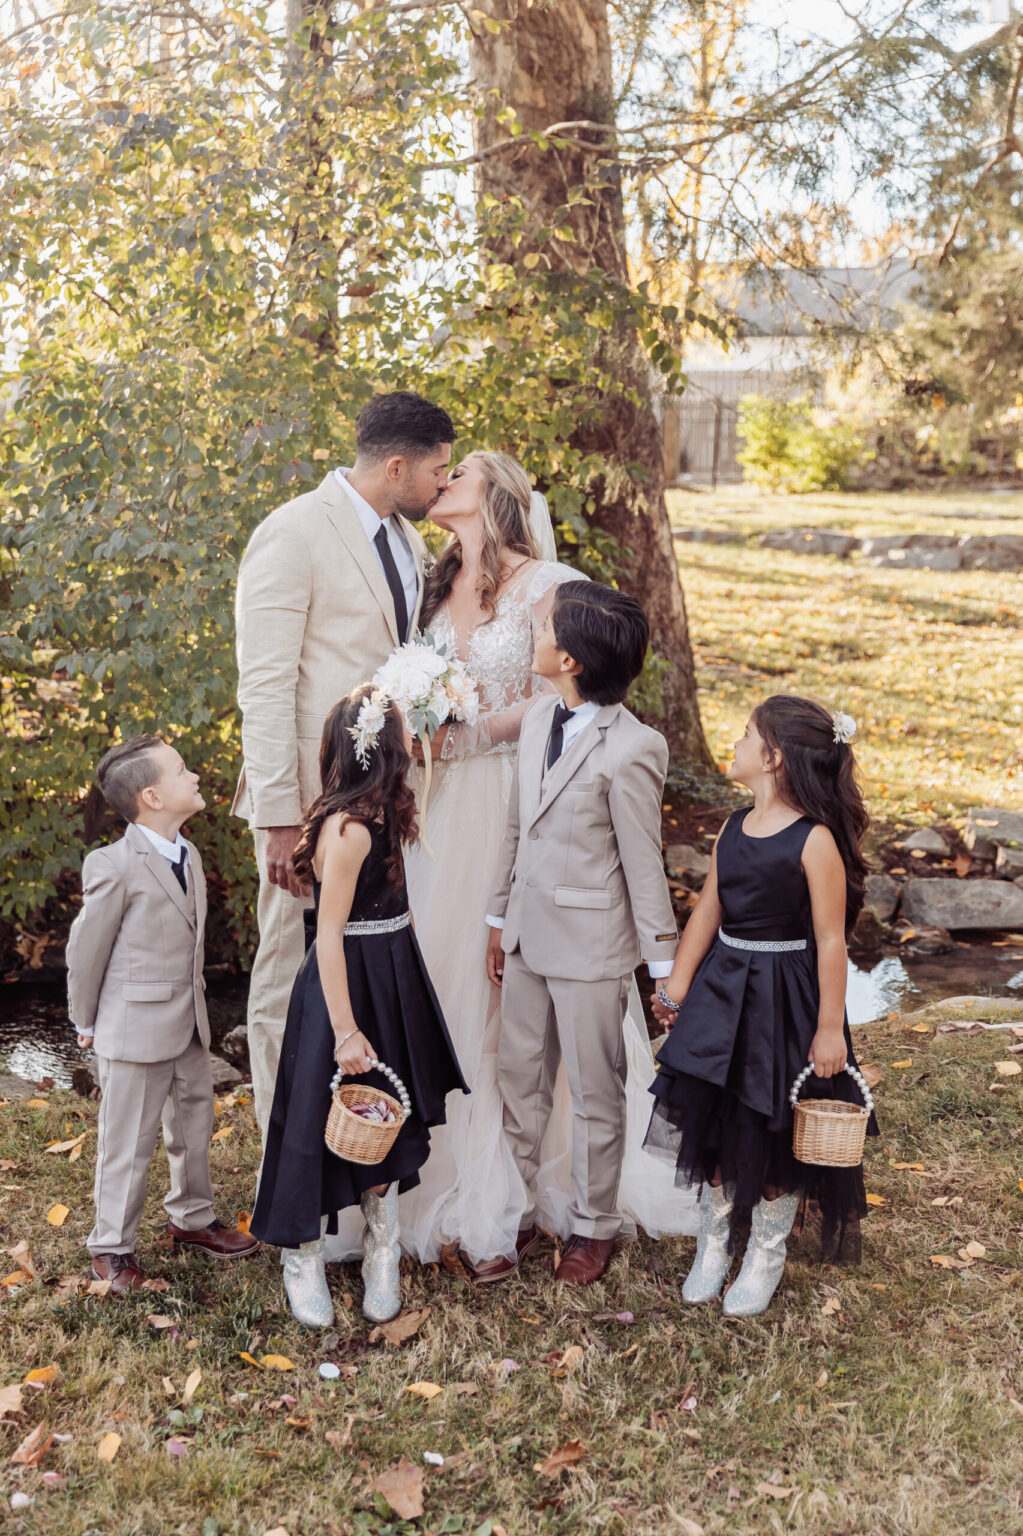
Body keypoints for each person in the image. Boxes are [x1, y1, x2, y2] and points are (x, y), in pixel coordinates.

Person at [323, 453, 697, 1271]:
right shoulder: (431, 575)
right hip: (434, 805)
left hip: (512, 793)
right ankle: (431, 1171)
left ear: (494, 497)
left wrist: (474, 731)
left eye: (456, 474)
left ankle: (525, 1194)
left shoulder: (549, 585)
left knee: (512, 1001)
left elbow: (573, 690)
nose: (440, 481)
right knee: (440, 966)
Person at [234, 391, 456, 1136]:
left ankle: (352, 1141)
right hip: (305, 800)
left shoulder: (405, 537)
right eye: (437, 470)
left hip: (382, 796)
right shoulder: (292, 532)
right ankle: (282, 1152)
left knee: (362, 971)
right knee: (284, 982)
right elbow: (264, 681)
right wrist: (276, 819)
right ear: (396, 465)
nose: (442, 485)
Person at [645, 696, 878, 1317]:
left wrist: (830, 1027)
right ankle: (714, 1240)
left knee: (774, 1119)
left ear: (773, 757)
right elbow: (707, 912)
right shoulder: (733, 825)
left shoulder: (815, 840)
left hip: (786, 993)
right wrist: (677, 987)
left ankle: (766, 1250)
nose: (738, 741)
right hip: (726, 984)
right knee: (715, 1113)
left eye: (748, 734)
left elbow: (831, 940)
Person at [483, 580, 682, 1287]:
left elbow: (642, 864)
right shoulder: (538, 718)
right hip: (526, 938)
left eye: (542, 630)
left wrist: (666, 968)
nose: (532, 638)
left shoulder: (634, 748)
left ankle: (593, 1228)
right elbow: (517, 825)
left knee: (597, 1090)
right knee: (518, 1080)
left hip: (591, 946)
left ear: (567, 659)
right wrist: (497, 919)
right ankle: (516, 1208)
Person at [250, 688, 467, 1328]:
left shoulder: (386, 811)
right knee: (322, 1120)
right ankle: (303, 1256)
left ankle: (382, 1251)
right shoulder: (346, 831)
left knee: (383, 1115)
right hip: (345, 987)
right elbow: (329, 935)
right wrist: (345, 1029)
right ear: (389, 752)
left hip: (391, 976)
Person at [66, 736, 259, 1295]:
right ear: (151, 795)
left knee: (193, 1127)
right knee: (129, 1141)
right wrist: (86, 1021)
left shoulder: (190, 854)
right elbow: (86, 951)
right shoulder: (113, 865)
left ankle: (192, 1219)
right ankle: (111, 1246)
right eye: (182, 770)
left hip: (189, 1022)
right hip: (133, 1029)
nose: (195, 775)